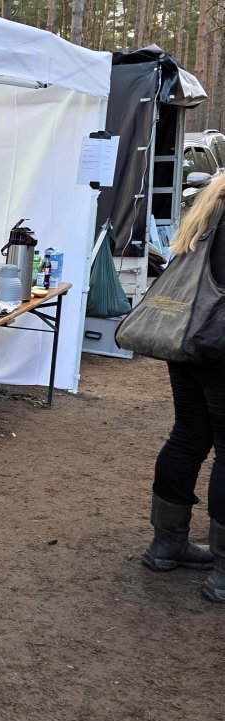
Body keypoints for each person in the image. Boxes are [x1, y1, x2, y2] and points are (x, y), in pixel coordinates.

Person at [142, 174, 225, 604]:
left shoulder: (205, 216)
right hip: (218, 348)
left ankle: (167, 543)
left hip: (185, 342)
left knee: (187, 437)